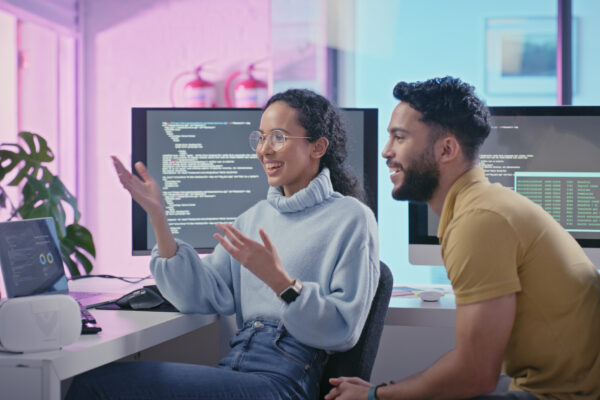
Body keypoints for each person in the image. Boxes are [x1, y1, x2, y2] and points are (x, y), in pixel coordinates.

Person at [66, 89, 379, 400]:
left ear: (318, 147)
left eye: (278, 137)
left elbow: (343, 328)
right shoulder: (252, 218)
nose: (264, 150)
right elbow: (199, 295)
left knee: (96, 385)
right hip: (238, 365)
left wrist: (279, 281)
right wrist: (159, 219)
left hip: (286, 380)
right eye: (260, 137)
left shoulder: (351, 218)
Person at [327, 77, 600, 400]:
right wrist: (382, 391)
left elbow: (475, 375)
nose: (386, 151)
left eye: (399, 137)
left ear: (447, 149)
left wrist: (373, 396)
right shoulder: (483, 207)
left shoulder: (479, 221)